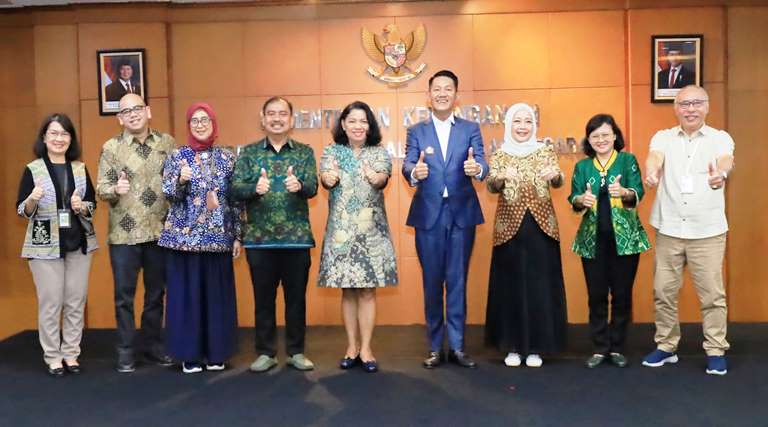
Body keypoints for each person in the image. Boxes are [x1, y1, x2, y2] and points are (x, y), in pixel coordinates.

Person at [642, 85, 734, 375]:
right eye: (684, 104)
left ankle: (716, 349)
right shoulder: (663, 137)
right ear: (676, 108)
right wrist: (652, 171)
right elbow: (654, 157)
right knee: (663, 292)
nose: (690, 109)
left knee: (712, 296)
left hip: (707, 231)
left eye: (696, 103)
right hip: (669, 228)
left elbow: (726, 159)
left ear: (707, 106)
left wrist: (721, 174)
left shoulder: (720, 137)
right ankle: (666, 346)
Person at [402, 70, 488, 369]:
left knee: (457, 281)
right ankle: (435, 348)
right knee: (432, 281)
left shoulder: (470, 128)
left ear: (456, 95)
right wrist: (415, 172)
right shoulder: (417, 130)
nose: (442, 93)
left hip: (461, 214)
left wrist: (477, 169)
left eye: (447, 88)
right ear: (429, 95)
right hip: (429, 215)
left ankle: (458, 347)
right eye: (436, 89)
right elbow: (408, 163)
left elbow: (482, 161)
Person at [232, 96, 319, 373]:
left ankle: (296, 352)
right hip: (260, 240)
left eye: (282, 114)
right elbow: (234, 188)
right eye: (271, 113)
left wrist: (300, 185)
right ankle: (265, 352)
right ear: (263, 118)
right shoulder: (248, 153)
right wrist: (253, 189)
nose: (277, 118)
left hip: (296, 239)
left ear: (291, 120)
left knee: (296, 300)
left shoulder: (304, 152)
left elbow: (314, 186)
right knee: (263, 300)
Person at [158, 102, 242, 374]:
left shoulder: (227, 157)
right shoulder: (177, 156)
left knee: (217, 299)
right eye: (194, 120)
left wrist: (238, 236)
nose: (200, 124)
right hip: (184, 241)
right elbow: (168, 194)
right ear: (188, 126)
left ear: (213, 123)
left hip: (218, 239)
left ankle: (216, 353)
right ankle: (189, 355)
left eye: (205, 119)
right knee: (187, 299)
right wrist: (180, 181)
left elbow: (235, 200)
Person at [484, 103, 567, 368]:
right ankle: (512, 346)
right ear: (509, 125)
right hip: (508, 229)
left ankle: (536, 347)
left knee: (540, 287)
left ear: (534, 125)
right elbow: (491, 185)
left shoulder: (544, 151)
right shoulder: (500, 154)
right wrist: (500, 177)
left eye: (528, 121)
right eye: (517, 121)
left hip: (541, 227)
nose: (523, 126)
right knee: (509, 288)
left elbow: (557, 180)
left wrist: (556, 176)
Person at [318, 101, 398, 374]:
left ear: (370, 125)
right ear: (343, 124)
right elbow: (326, 178)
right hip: (341, 232)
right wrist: (329, 177)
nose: (357, 126)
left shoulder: (379, 152)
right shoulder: (332, 152)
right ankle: (351, 347)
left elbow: (382, 178)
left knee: (367, 290)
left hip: (371, 233)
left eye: (363, 121)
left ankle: (366, 349)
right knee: (348, 289)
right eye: (352, 121)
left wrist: (376, 177)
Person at [96, 93, 175, 373]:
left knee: (155, 295)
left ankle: (152, 346)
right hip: (124, 235)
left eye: (137, 108)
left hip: (158, 232)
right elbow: (101, 188)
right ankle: (126, 350)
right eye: (126, 111)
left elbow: (177, 183)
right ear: (120, 118)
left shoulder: (167, 143)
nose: (133, 114)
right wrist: (114, 189)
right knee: (124, 298)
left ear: (148, 111)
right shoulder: (111, 147)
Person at [16, 113, 98, 377]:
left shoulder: (80, 168)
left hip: (79, 243)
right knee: (51, 303)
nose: (59, 138)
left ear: (71, 139)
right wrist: (33, 198)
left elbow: (91, 205)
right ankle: (52, 356)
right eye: (53, 133)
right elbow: (23, 211)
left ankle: (71, 354)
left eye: (64, 134)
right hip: (44, 247)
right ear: (44, 137)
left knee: (75, 301)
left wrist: (81, 206)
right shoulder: (33, 169)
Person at [569, 114, 650, 369]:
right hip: (592, 242)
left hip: (625, 241)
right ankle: (599, 347)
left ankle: (617, 347)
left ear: (615, 136)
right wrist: (581, 200)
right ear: (589, 140)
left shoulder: (627, 161)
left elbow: (638, 190)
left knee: (622, 295)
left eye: (605, 134)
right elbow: (573, 197)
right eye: (595, 136)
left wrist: (625, 192)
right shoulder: (583, 167)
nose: (601, 140)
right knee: (596, 296)